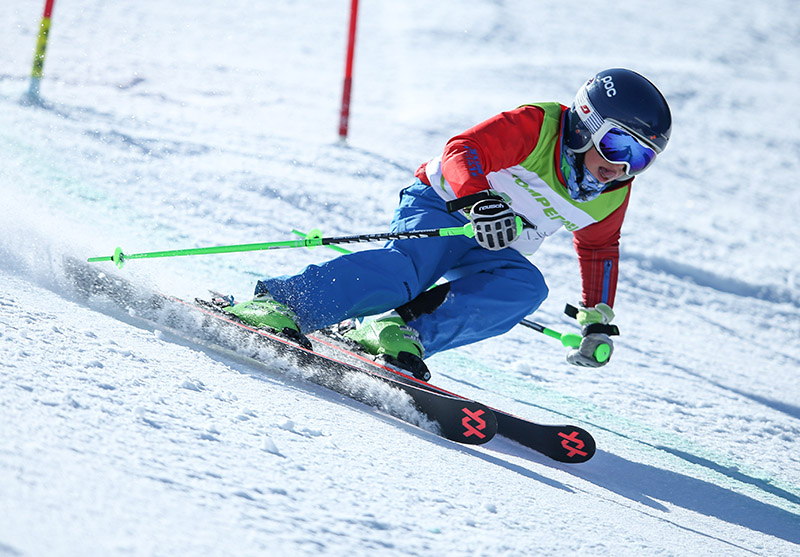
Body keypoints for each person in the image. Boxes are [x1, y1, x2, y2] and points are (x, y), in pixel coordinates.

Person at [225, 68, 672, 378]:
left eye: (642, 158)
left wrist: (597, 316)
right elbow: (464, 150)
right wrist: (477, 201)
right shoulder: (538, 128)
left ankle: (394, 332)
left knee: (526, 288)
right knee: (406, 273)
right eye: (617, 144)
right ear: (585, 123)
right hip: (442, 205)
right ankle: (281, 303)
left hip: (495, 245)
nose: (622, 166)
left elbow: (599, 249)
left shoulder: (611, 193)